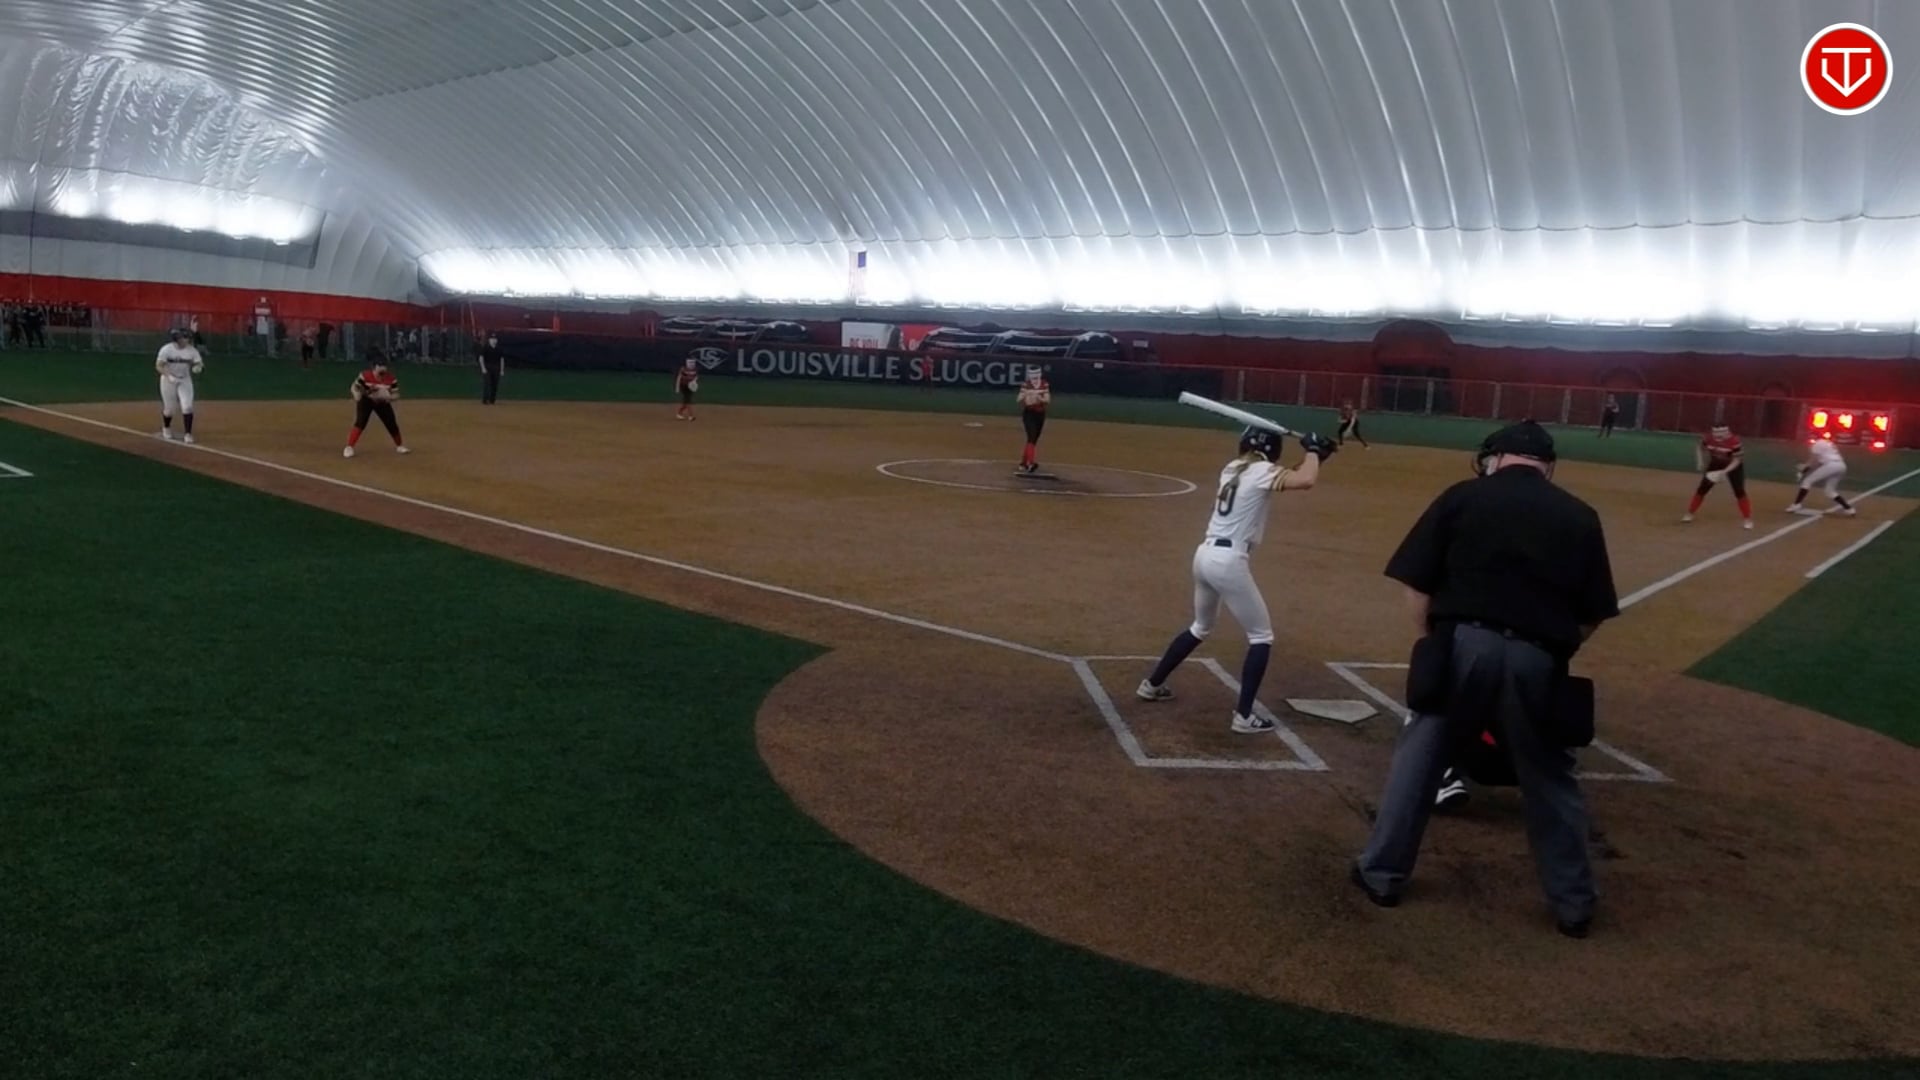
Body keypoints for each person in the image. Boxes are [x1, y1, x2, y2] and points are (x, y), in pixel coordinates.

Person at [1352, 421, 1619, 938]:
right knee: (1549, 776)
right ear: (1547, 466)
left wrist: (1435, 644)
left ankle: (1382, 874)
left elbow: (1417, 586)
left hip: (1461, 644)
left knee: (1420, 760)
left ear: (1495, 459)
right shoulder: (1579, 515)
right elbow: (1592, 614)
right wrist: (1549, 652)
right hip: (1538, 656)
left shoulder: (1462, 497)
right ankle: (1574, 904)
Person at [1135, 427, 1338, 731]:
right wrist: (1312, 450)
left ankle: (1152, 685)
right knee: (1261, 637)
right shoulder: (1262, 472)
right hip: (1228, 562)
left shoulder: (1232, 468)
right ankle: (1244, 716)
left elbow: (1292, 476)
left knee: (1201, 627)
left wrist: (1317, 456)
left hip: (1204, 556)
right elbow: (1305, 480)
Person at [1683, 423, 1752, 529]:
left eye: (1722, 432)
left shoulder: (1735, 442)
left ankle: (1747, 519)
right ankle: (1689, 513)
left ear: (1727, 431)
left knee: (1739, 491)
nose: (1719, 434)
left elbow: (1737, 460)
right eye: (1716, 432)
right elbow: (1699, 447)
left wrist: (1724, 472)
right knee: (1702, 489)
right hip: (1715, 464)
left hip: (1733, 466)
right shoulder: (1708, 439)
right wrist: (1700, 461)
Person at [343, 350, 410, 458]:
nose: (383, 371)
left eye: (385, 367)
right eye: (380, 368)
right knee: (360, 422)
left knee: (391, 423)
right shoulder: (365, 376)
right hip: (366, 400)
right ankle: (349, 447)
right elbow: (354, 387)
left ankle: (399, 445)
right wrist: (356, 395)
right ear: (374, 367)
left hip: (382, 402)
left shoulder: (391, 379)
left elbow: (396, 394)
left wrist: (388, 397)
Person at [155, 328, 204, 444]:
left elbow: (198, 362)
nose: (187, 340)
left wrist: (198, 367)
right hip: (168, 380)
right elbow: (159, 365)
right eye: (184, 338)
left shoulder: (191, 351)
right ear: (177, 339)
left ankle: (188, 434)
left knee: (187, 406)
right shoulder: (166, 349)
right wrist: (168, 376)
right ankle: (166, 428)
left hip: (184, 380)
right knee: (169, 409)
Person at [1789, 438, 1857, 517]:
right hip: (1841, 466)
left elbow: (1813, 460)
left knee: (1807, 481)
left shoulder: (1816, 444)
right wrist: (1805, 468)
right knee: (1829, 491)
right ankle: (1849, 509)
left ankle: (1796, 504)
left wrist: (1803, 470)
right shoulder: (1827, 443)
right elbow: (1817, 462)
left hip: (1831, 465)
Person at [1016, 365, 1051, 474]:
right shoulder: (1026, 385)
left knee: (1033, 439)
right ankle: (1030, 463)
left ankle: (1023, 462)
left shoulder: (1044, 384)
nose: (1034, 378)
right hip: (1029, 413)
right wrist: (1027, 394)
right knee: (1031, 436)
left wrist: (1038, 397)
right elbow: (1019, 399)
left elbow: (1047, 400)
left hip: (1040, 414)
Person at [478, 333, 505, 405]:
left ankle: (492, 400)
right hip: (487, 368)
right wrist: (483, 368)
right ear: (489, 340)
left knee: (495, 385)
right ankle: (485, 400)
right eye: (492, 339)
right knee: (487, 384)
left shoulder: (499, 349)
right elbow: (481, 358)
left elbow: (502, 360)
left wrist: (502, 370)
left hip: (496, 369)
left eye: (495, 339)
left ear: (497, 340)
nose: (493, 340)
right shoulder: (485, 348)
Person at [674, 356, 700, 420]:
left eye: (692, 363)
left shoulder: (695, 369)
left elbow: (696, 376)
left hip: (690, 387)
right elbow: (679, 378)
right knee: (688, 401)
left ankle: (679, 413)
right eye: (690, 362)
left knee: (686, 402)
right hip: (684, 386)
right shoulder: (683, 369)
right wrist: (677, 388)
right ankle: (691, 416)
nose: (691, 364)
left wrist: (694, 382)